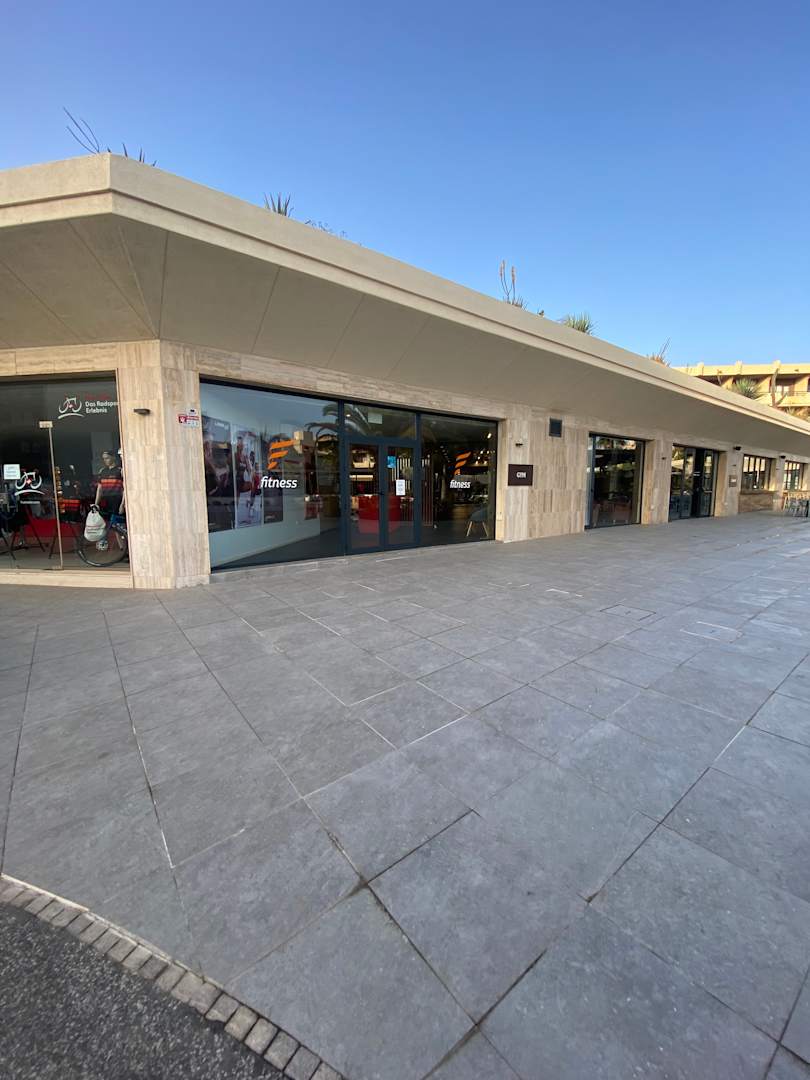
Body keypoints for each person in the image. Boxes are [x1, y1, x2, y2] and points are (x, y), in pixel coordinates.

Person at [95, 450, 125, 516]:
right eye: (104, 459)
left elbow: (124, 489)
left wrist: (122, 504)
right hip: (105, 501)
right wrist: (96, 504)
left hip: (117, 500)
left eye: (107, 458)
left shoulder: (120, 470)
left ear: (113, 457)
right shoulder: (102, 471)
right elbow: (99, 489)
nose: (105, 460)